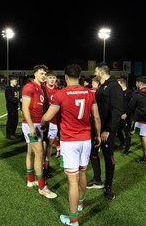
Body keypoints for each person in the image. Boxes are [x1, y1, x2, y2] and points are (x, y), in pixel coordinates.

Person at [40, 63, 101, 226]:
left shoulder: (60, 94)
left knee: (72, 180)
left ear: (66, 77)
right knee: (82, 172)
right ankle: (80, 203)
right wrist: (98, 136)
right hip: (85, 139)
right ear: (79, 77)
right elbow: (96, 117)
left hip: (70, 141)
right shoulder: (89, 93)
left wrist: (41, 124)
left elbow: (47, 117)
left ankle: (73, 220)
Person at [87, 62, 124, 201]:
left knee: (108, 156)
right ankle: (97, 180)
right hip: (96, 127)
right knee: (93, 152)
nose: (94, 73)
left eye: (96, 71)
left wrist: (107, 130)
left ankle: (108, 186)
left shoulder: (114, 86)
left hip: (106, 130)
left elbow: (116, 111)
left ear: (101, 72)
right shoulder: (102, 86)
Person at [21, 64, 57, 199]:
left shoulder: (41, 89)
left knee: (31, 152)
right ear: (35, 73)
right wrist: (31, 127)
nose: (44, 76)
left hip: (37, 124)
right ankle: (42, 186)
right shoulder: (29, 86)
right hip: (31, 125)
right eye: (41, 73)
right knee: (40, 153)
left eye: (45, 74)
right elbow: (25, 108)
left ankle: (31, 180)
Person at [122, 76, 146, 165]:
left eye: (136, 83)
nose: (135, 84)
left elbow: (130, 107)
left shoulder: (137, 95)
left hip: (142, 120)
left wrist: (126, 114)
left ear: (139, 83)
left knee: (143, 138)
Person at [42, 70, 59, 177]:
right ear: (46, 78)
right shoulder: (42, 89)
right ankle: (42, 166)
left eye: (54, 77)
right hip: (44, 122)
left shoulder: (58, 91)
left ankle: (47, 165)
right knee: (42, 146)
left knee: (49, 146)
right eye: (50, 77)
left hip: (54, 122)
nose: (52, 79)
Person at [117, 77, 133, 156]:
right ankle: (122, 143)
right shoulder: (118, 93)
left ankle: (126, 149)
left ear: (122, 84)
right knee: (118, 130)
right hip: (119, 116)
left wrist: (126, 114)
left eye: (118, 83)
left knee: (127, 133)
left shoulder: (129, 93)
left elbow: (131, 106)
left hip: (127, 117)